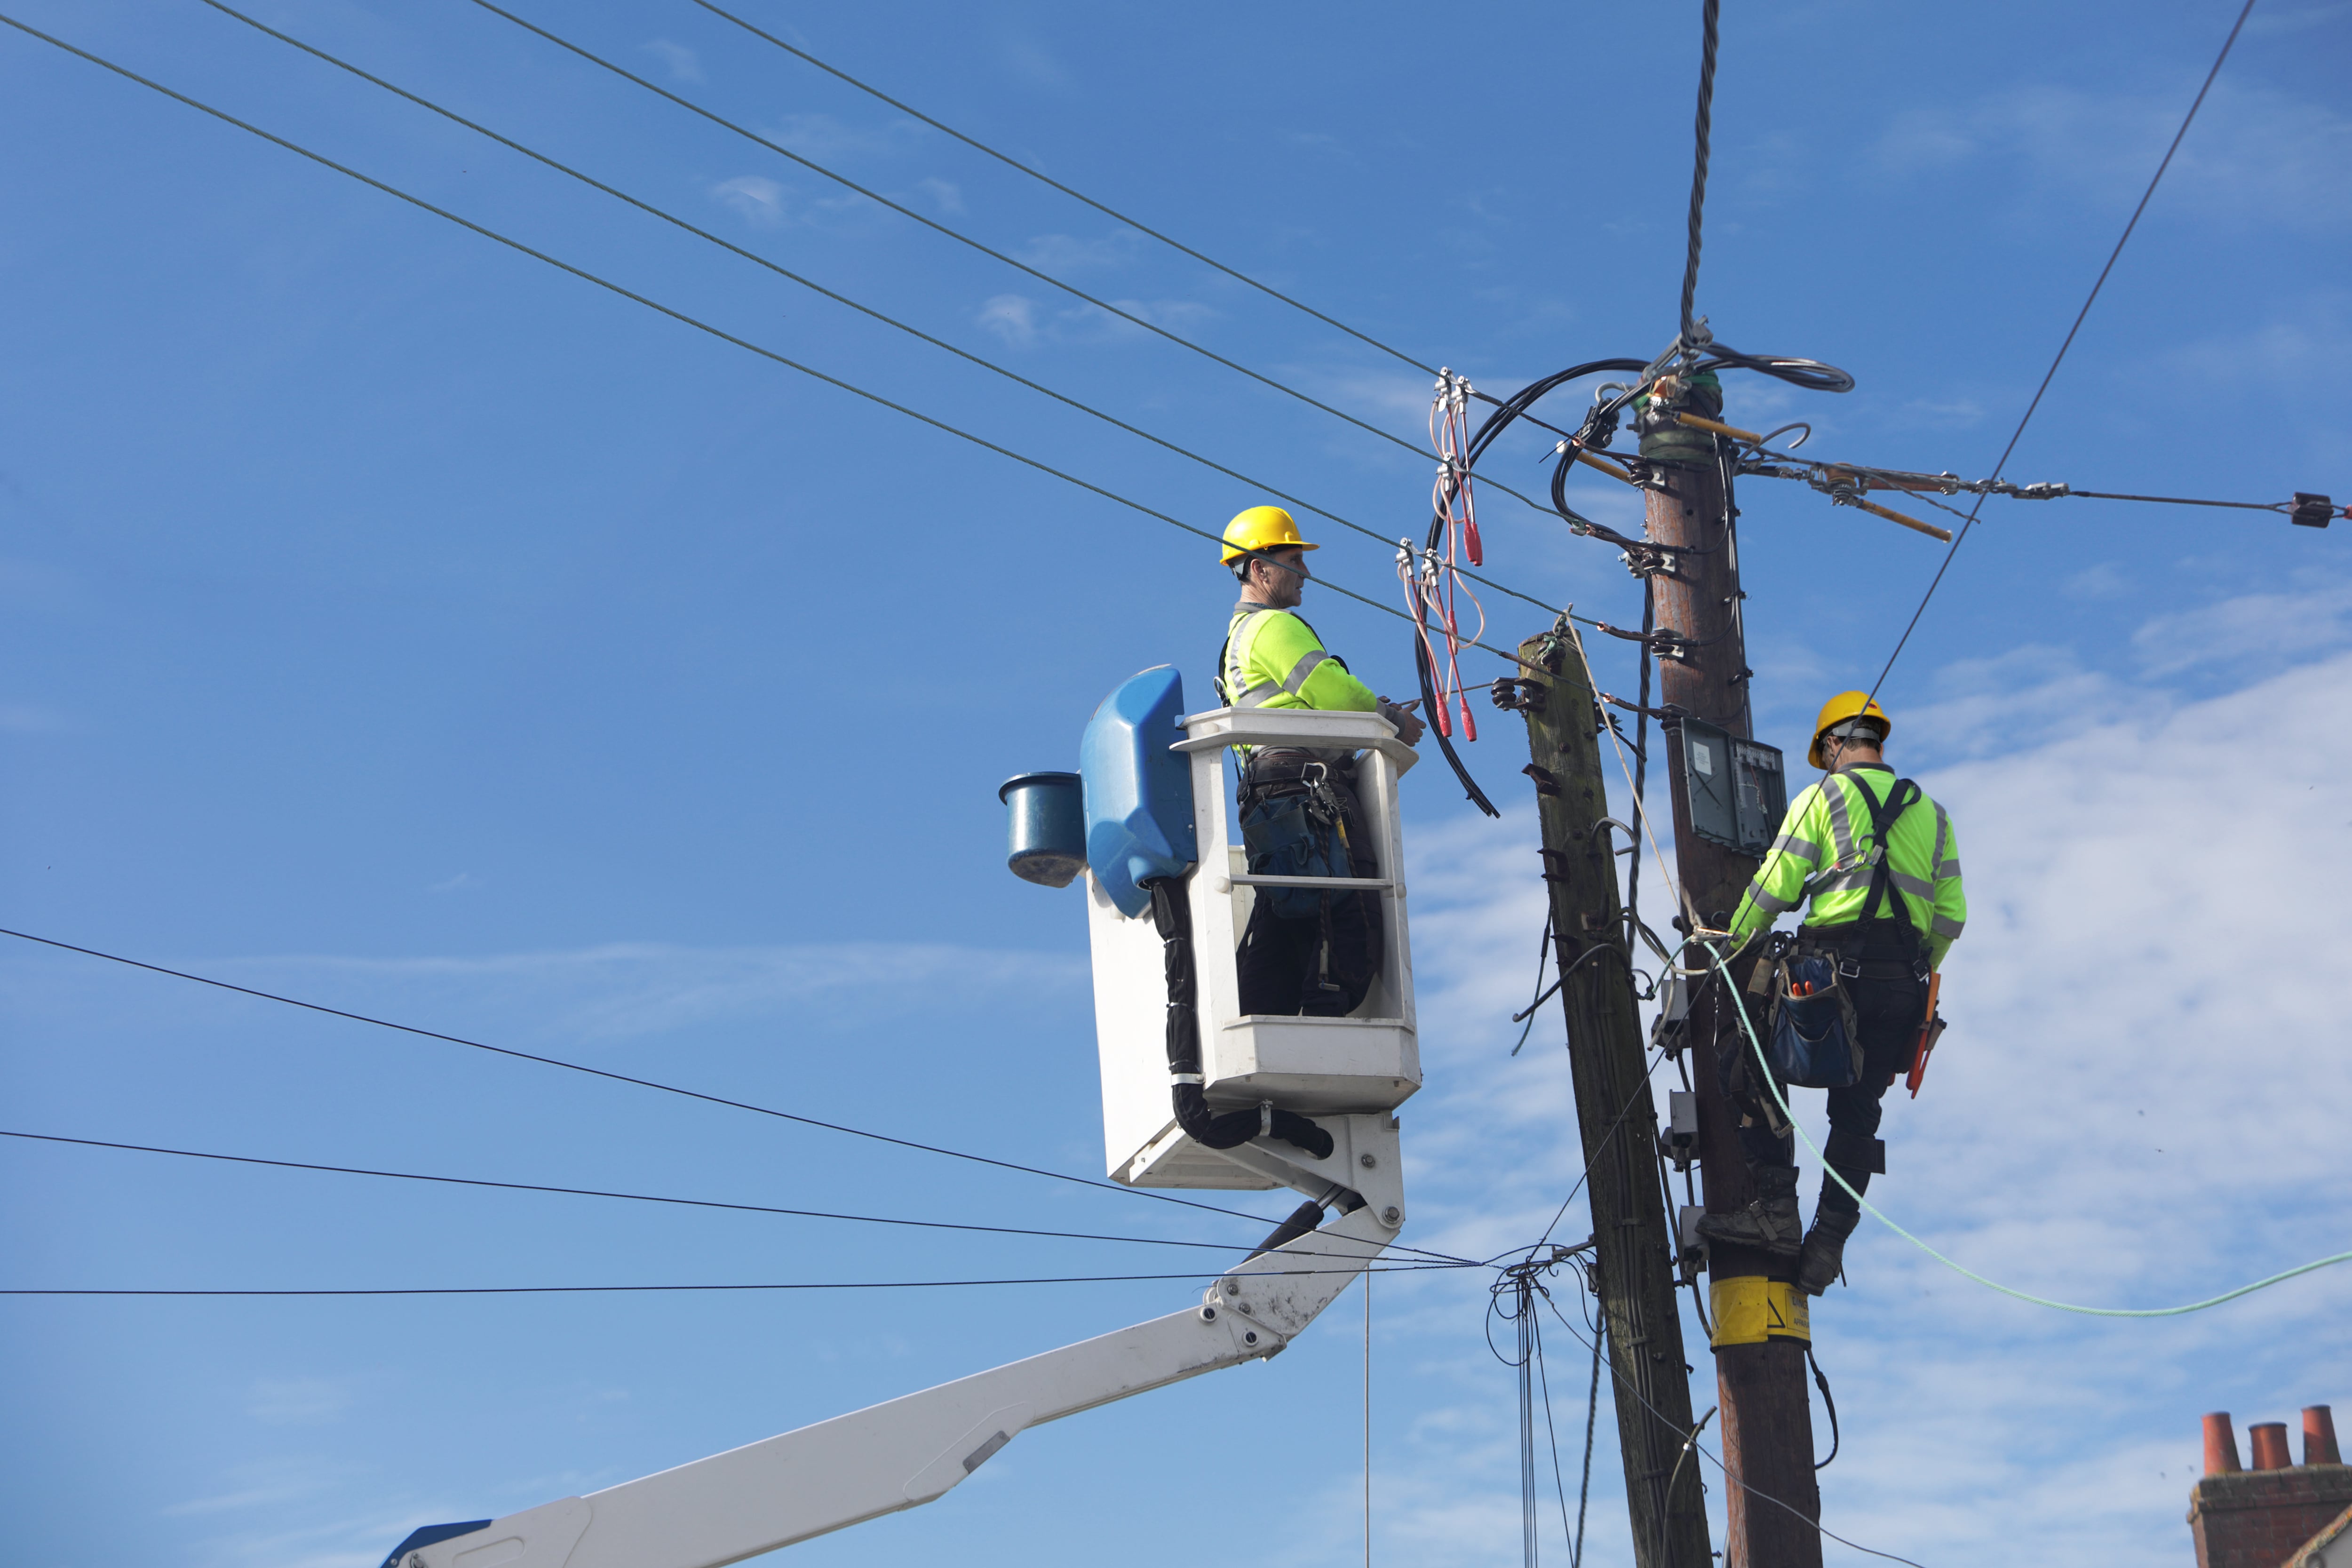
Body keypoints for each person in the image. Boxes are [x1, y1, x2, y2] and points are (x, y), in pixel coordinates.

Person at [1699, 691, 1967, 1295]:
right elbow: (1951, 916)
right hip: (1902, 988)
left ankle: (1774, 1210)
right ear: (1875, 741)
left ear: (1832, 746)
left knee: (1746, 1061)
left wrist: (1728, 941)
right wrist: (1913, 966)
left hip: (1827, 979)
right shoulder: (1935, 815)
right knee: (1858, 1109)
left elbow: (1776, 884)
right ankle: (1827, 1243)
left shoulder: (1823, 797)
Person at [1213, 505, 1423, 1018]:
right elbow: (1331, 691)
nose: (1305, 573)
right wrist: (1391, 719)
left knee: (1291, 916)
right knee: (1347, 918)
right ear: (1259, 569)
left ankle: (1269, 1030)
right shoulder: (1273, 627)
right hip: (1306, 791)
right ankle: (1317, 1027)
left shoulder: (1237, 639)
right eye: (1293, 560)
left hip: (1273, 795)